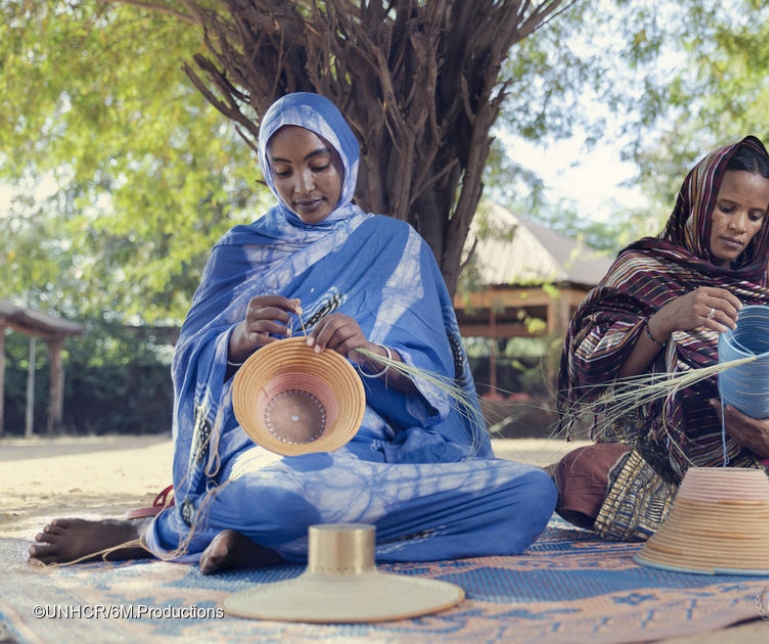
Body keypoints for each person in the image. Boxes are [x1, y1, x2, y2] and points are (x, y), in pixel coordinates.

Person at [30, 92, 557, 573]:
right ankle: (148, 531)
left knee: (530, 493)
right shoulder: (240, 252)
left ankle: (270, 541)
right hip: (268, 453)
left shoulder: (395, 246)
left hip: (377, 458)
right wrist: (234, 340)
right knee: (275, 494)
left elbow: (440, 388)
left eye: (318, 165)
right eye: (282, 171)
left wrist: (371, 354)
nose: (303, 186)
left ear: (345, 160)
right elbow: (190, 355)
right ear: (267, 173)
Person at [553, 135, 769, 544]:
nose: (739, 226)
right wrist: (665, 320)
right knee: (583, 472)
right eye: (727, 208)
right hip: (653, 461)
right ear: (699, 202)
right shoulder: (642, 270)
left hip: (748, 464)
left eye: (755, 215)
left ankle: (696, 521)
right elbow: (593, 373)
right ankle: (728, 522)